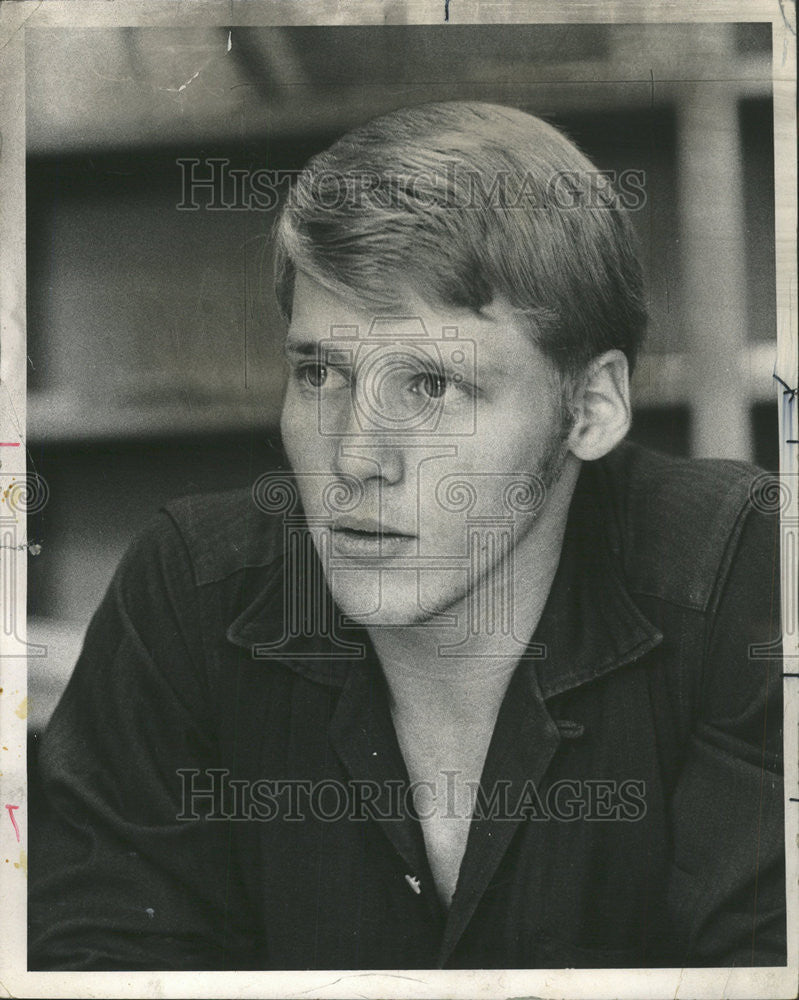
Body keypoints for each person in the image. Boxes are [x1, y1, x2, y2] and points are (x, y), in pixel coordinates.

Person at [29, 101, 785, 970]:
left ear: (590, 406)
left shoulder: (736, 572)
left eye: (432, 385)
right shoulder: (191, 590)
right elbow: (104, 965)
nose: (354, 455)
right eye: (320, 373)